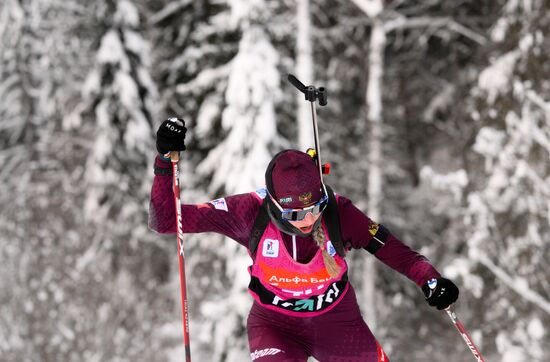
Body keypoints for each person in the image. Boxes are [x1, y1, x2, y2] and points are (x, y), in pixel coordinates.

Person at [149, 118, 459, 362]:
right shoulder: (247, 211)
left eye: (314, 209)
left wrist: (429, 280)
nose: (308, 220)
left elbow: (394, 251)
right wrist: (165, 162)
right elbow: (165, 221)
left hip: (338, 324)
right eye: (295, 215)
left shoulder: (340, 212)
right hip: (275, 327)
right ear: (273, 203)